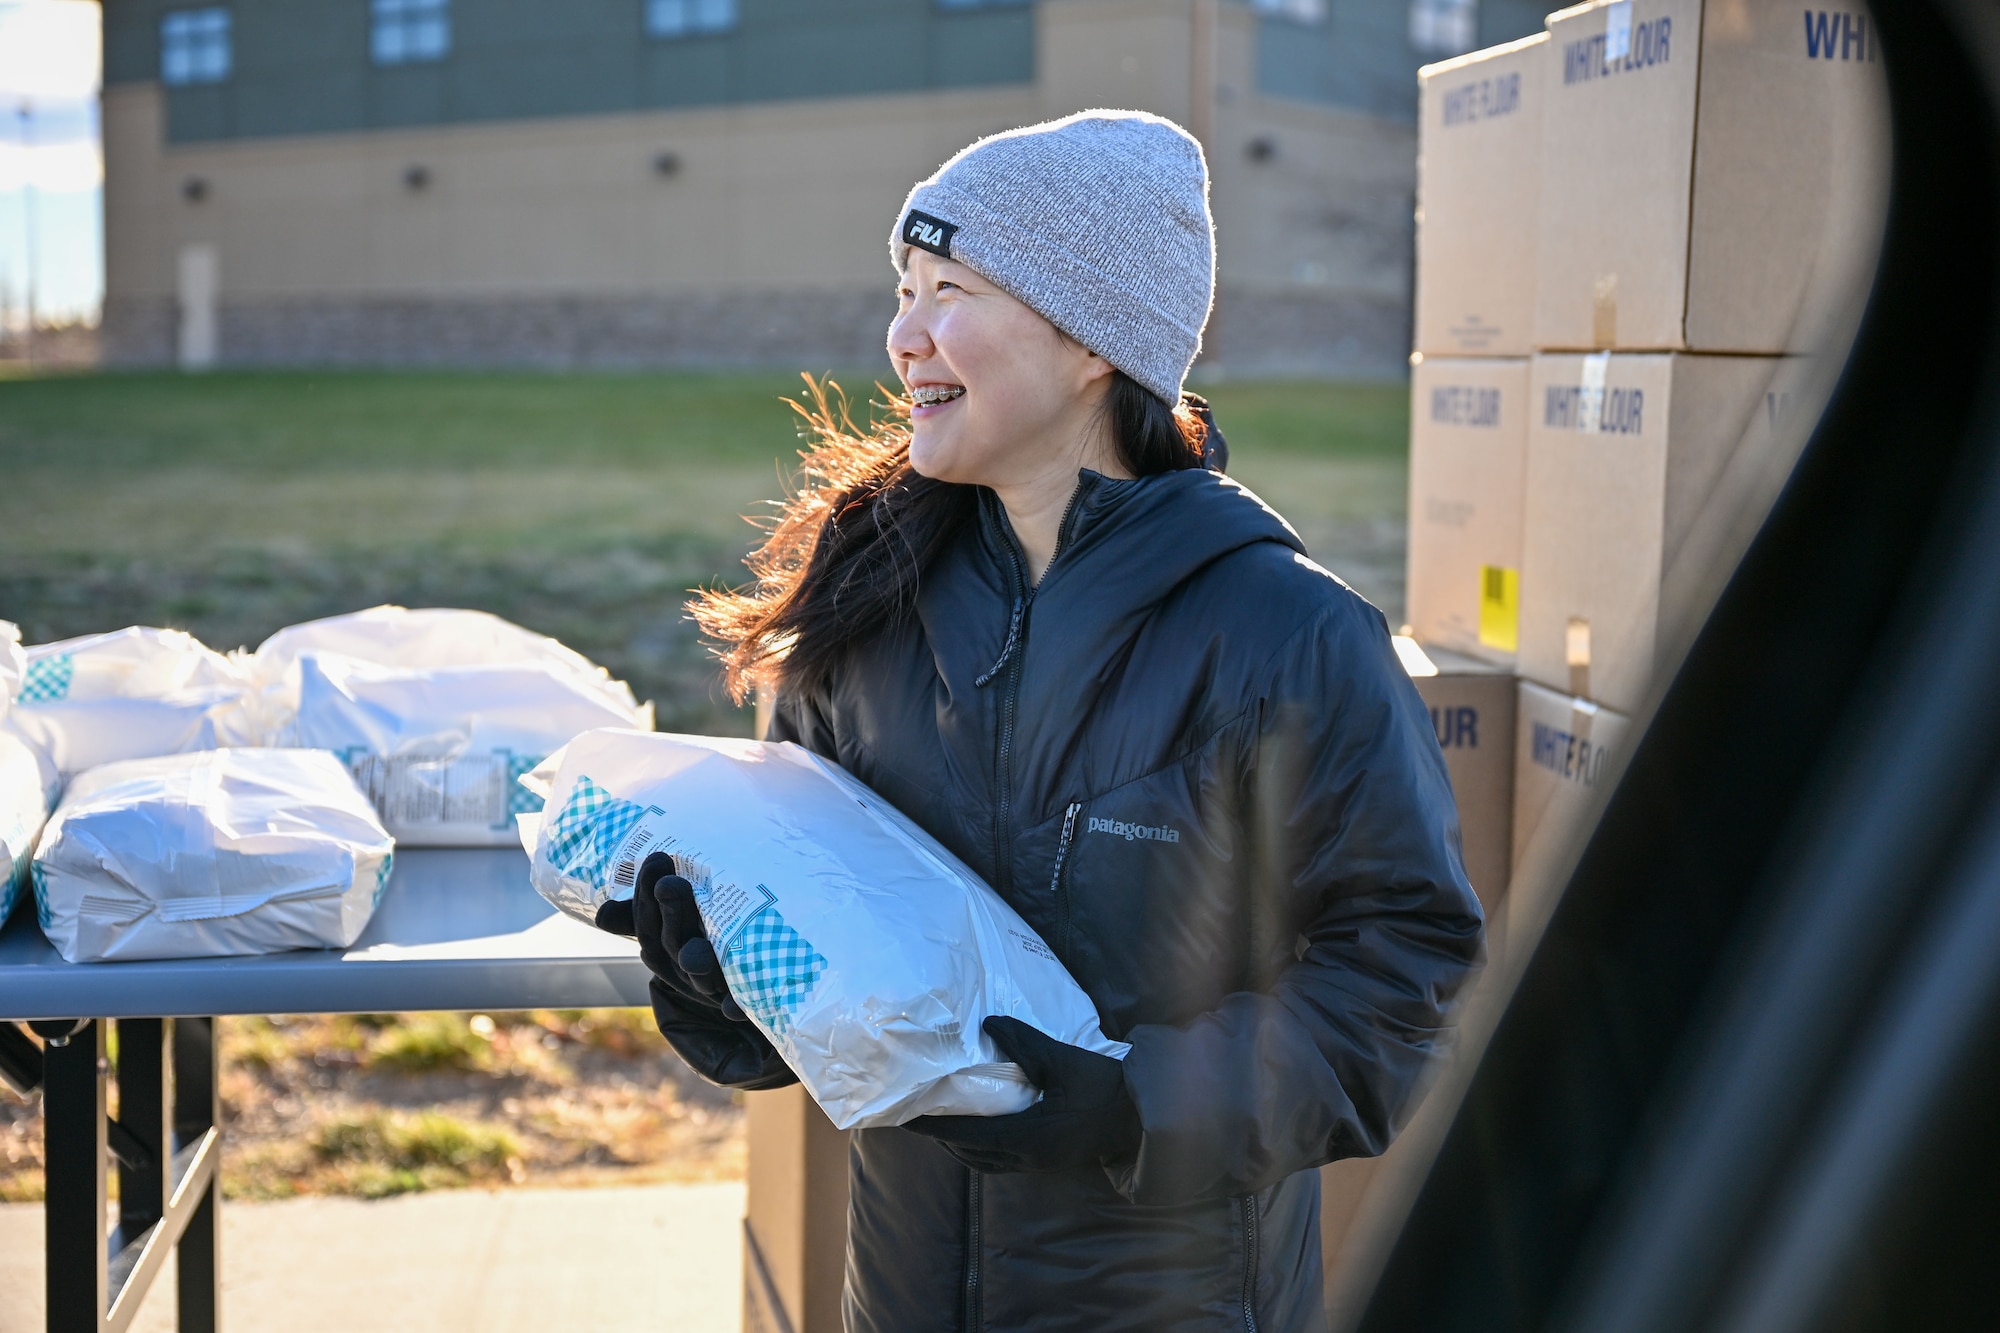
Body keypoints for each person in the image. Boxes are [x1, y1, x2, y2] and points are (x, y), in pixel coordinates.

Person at [611, 110, 1484, 1332]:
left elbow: (1400, 975)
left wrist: (1143, 1106)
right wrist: (728, 990)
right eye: (902, 289)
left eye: (947, 290)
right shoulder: (866, 612)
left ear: (1089, 340)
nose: (899, 335)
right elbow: (839, 981)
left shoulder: (1287, 637)